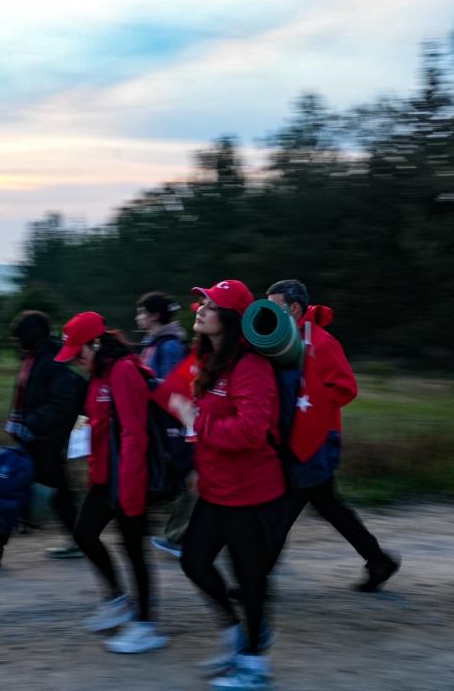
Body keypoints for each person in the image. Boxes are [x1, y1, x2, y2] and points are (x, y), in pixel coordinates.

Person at [168, 280, 289, 691]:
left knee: (250, 577)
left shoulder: (251, 367)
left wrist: (194, 422)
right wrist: (199, 467)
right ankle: (237, 637)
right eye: (201, 301)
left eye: (211, 305)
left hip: (252, 492)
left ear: (231, 319)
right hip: (218, 488)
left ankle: (254, 665)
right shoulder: (211, 362)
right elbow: (213, 426)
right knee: (194, 562)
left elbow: (251, 432)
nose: (200, 308)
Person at [262, 279, 399, 592]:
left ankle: (256, 577)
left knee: (285, 507)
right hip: (296, 439)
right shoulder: (287, 341)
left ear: (293, 308)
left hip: (317, 440)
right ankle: (378, 561)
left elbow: (346, 388)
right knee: (327, 506)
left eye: (274, 306)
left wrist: (309, 411)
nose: (268, 313)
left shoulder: (321, 343)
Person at [56, 311, 168, 654]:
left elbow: (135, 434)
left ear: (96, 342)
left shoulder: (122, 371)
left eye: (79, 351)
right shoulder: (98, 373)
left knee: (134, 550)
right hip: (105, 477)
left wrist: (131, 488)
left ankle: (147, 625)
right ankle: (119, 601)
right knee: (84, 533)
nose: (76, 359)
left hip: (129, 479)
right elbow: (98, 422)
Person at [0, 310, 87, 565]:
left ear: (30, 336)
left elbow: (63, 403)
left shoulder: (52, 361)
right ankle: (81, 540)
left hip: (44, 439)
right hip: (35, 438)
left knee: (14, 485)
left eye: (18, 335)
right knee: (56, 492)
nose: (14, 340)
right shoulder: (35, 357)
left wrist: (31, 423)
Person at [135, 292, 196, 559]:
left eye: (141, 312)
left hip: (168, 423)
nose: (138, 317)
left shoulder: (168, 345)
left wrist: (144, 386)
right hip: (155, 421)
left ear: (155, 315)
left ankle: (183, 536)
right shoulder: (152, 342)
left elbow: (173, 387)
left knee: (182, 476)